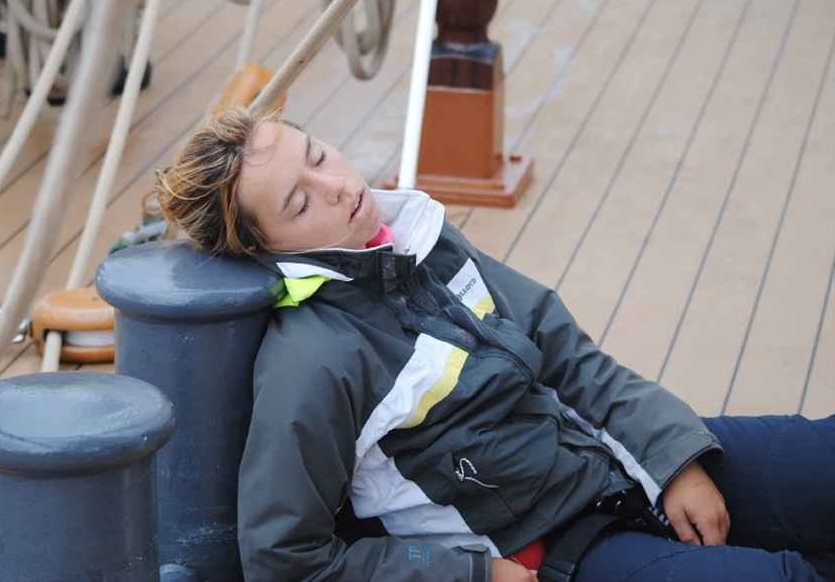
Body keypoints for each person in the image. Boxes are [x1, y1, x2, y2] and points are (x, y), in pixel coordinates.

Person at [152, 106, 835, 582]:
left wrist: (674, 457)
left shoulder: (424, 244)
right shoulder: (316, 362)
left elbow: (566, 355)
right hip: (559, 547)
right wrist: (469, 576)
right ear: (267, 250)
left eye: (318, 155)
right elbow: (286, 561)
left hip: (609, 457)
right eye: (300, 204)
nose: (338, 186)